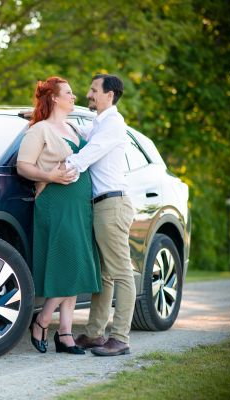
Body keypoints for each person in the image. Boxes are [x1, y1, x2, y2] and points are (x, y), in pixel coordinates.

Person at [17, 76, 101, 354]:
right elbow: (23, 166)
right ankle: (42, 319)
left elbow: (105, 130)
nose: (74, 96)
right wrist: (49, 176)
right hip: (55, 203)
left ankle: (65, 334)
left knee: (75, 264)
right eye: (69, 93)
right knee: (71, 264)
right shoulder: (39, 130)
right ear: (54, 98)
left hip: (78, 207)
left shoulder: (74, 127)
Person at [62, 74, 136, 356]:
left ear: (110, 94)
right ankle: (94, 334)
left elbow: (89, 152)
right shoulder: (99, 123)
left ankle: (120, 338)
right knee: (103, 275)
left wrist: (62, 168)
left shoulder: (113, 124)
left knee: (120, 272)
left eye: (94, 90)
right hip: (100, 206)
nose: (88, 94)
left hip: (112, 206)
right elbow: (83, 136)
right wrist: (56, 123)